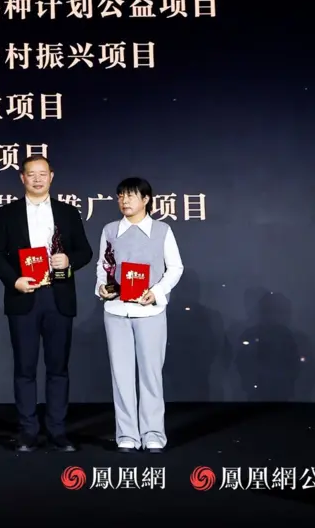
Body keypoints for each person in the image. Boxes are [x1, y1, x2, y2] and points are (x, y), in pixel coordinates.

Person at [0, 155, 92, 452]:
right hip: (24, 295)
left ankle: (58, 431)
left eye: (42, 173)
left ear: (51, 176)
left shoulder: (68, 212)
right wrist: (15, 281)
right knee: (25, 368)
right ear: (22, 178)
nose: (37, 179)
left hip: (58, 296)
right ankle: (28, 431)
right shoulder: (8, 213)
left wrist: (68, 261)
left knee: (58, 368)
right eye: (31, 174)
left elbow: (85, 251)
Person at [95, 177, 183, 453]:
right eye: (121, 196)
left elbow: (175, 268)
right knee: (121, 376)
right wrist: (102, 288)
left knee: (150, 374)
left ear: (146, 199)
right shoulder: (110, 230)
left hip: (149, 311)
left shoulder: (162, 230)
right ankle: (127, 435)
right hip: (116, 311)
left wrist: (156, 292)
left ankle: (153, 432)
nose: (124, 201)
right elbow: (103, 265)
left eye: (131, 195)